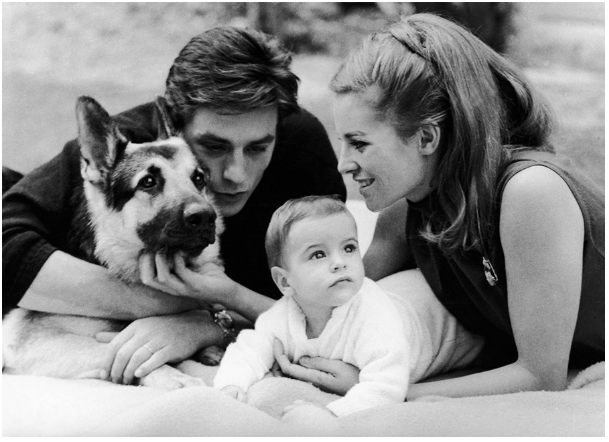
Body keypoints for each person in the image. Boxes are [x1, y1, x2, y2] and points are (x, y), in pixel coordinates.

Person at [273, 14, 604, 399]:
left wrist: (384, 389)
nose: (342, 164)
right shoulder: (405, 212)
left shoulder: (531, 193)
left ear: (427, 137)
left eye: (359, 143)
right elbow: (325, 300)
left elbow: (541, 375)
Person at [2, 26, 346, 385]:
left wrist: (204, 325)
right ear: (171, 124)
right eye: (213, 147)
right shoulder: (132, 148)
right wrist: (166, 305)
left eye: (258, 148)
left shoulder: (303, 154)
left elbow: (333, 314)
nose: (237, 175)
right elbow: (7, 246)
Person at [214, 195, 482, 416]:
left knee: (476, 338)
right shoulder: (283, 315)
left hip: (446, 318)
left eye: (349, 248)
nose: (339, 262)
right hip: (400, 291)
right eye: (318, 254)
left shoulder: (375, 322)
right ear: (285, 281)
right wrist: (230, 386)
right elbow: (249, 349)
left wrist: (333, 414)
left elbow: (386, 387)